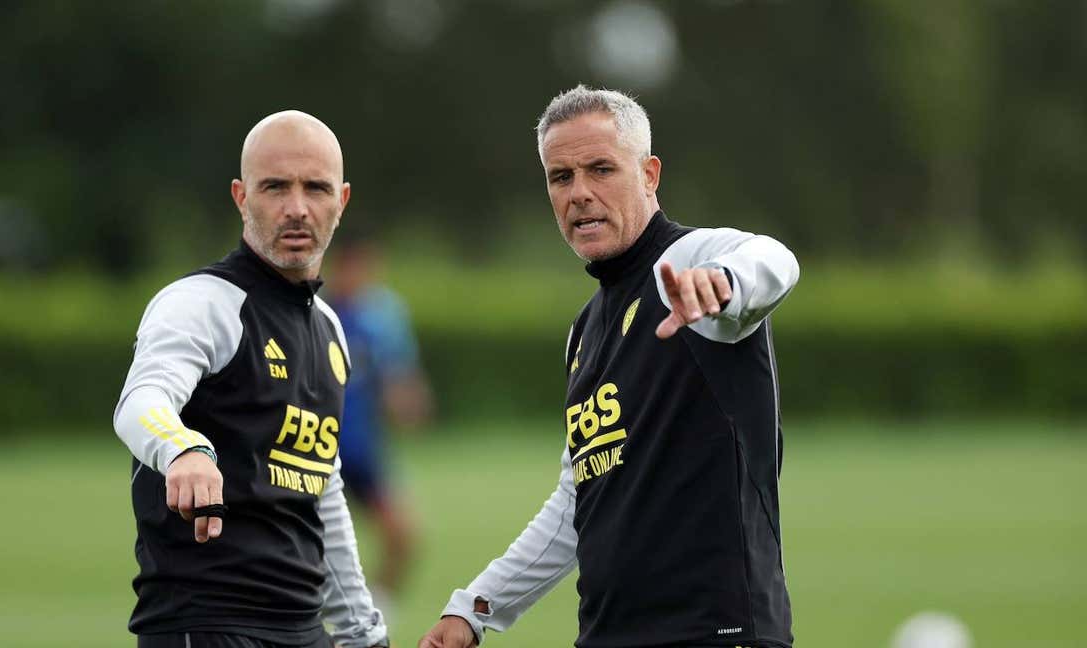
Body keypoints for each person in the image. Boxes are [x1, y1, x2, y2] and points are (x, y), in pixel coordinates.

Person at [419, 86, 799, 648]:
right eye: (561, 177)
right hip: (609, 635)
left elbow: (774, 258)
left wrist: (725, 283)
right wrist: (476, 607)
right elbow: (580, 499)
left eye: (601, 169)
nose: (579, 193)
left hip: (715, 632)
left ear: (649, 174)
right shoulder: (584, 331)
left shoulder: (689, 262)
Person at [113, 110, 389, 648]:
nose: (297, 208)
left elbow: (320, 485)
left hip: (303, 629)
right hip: (209, 624)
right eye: (275, 187)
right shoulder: (201, 303)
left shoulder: (329, 327)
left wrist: (361, 629)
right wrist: (183, 449)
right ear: (241, 197)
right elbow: (141, 400)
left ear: (343, 200)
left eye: (315, 188)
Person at [325, 234, 433, 603]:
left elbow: (399, 378)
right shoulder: (315, 313)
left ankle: (377, 613)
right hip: (317, 452)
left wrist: (407, 402)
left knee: (404, 534)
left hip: (362, 451)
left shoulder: (380, 317)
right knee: (309, 552)